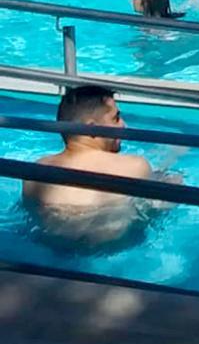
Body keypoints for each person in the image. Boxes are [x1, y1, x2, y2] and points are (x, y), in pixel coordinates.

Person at [22, 86, 161, 245]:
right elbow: (150, 217)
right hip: (111, 259)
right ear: (92, 127)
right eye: (116, 118)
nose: (124, 125)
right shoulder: (135, 167)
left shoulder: (35, 173)